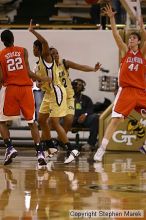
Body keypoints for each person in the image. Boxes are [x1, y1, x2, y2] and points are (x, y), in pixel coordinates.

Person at [94, 4, 146, 162]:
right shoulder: (125, 51)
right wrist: (111, 18)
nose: (130, 40)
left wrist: (142, 25)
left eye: (133, 38)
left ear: (138, 42)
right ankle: (102, 149)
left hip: (141, 91)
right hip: (127, 91)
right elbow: (116, 35)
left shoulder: (142, 54)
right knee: (115, 120)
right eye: (130, 38)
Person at [0, 29, 51, 166]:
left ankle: (10, 147)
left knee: (1, 122)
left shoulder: (1, 55)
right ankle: (40, 152)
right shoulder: (23, 51)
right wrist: (41, 78)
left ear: (2, 41)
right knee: (31, 122)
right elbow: (28, 72)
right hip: (26, 90)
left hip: (11, 89)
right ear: (13, 38)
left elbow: (1, 78)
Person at [72, 78, 99, 150]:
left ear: (83, 87)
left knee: (95, 118)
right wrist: (76, 119)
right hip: (71, 119)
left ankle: (91, 143)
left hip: (84, 119)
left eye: (80, 85)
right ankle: (60, 143)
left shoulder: (86, 99)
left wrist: (85, 114)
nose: (78, 86)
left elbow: (90, 109)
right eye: (76, 84)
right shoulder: (67, 97)